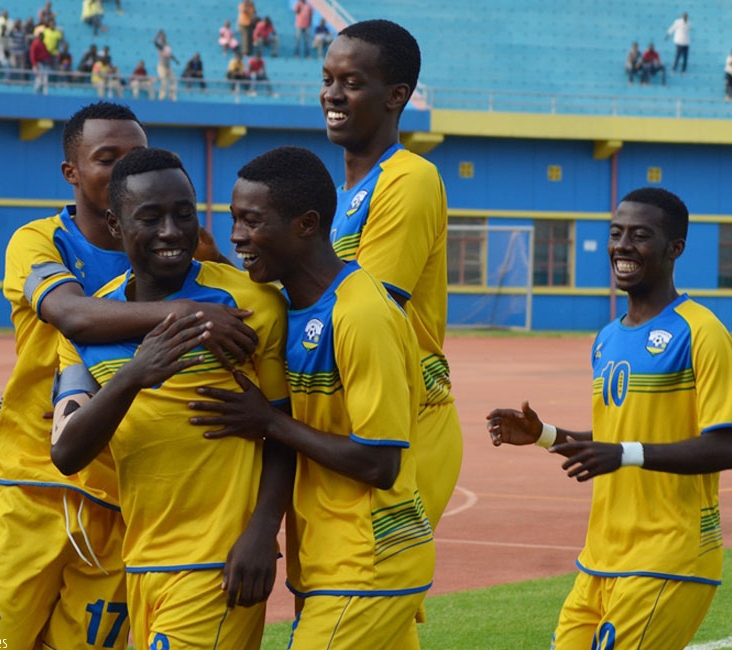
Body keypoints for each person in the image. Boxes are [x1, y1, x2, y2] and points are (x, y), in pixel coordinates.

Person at [0, 102, 259, 649]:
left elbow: (237, 301)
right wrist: (188, 315)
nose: (125, 167)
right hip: (34, 482)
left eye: (136, 155)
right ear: (71, 172)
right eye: (107, 158)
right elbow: (73, 315)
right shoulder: (40, 241)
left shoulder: (177, 242)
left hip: (125, 497)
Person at [190, 145, 435, 650]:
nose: (236, 235)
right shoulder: (292, 307)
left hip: (368, 563)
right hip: (331, 559)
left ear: (306, 224)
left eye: (252, 221)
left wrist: (268, 421)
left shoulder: (360, 314)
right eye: (234, 219)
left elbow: (381, 462)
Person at [49, 147, 292, 650]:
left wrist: (263, 530)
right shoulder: (90, 327)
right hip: (141, 562)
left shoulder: (253, 305)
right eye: (150, 217)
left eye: (184, 214)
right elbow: (67, 452)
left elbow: (283, 428)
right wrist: (135, 375)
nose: (172, 232)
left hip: (220, 562)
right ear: (115, 225)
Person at [486, 187, 732, 650]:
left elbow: (726, 446)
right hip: (601, 558)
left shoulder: (701, 332)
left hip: (670, 557)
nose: (622, 246)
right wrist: (546, 435)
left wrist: (625, 454)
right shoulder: (606, 339)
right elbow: (614, 438)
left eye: (639, 236)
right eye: (615, 233)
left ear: (675, 248)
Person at [322, 19, 463, 539]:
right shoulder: (339, 198)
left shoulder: (409, 178)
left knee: (372, 580)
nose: (333, 94)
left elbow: (368, 313)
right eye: (328, 79)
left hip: (406, 425)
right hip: (361, 424)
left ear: (396, 96)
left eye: (352, 82)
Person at [153, 29, 178, 101]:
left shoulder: (167, 45)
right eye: (161, 37)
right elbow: (155, 41)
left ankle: (172, 97)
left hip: (168, 66)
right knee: (164, 82)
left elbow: (170, 54)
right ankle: (161, 98)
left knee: (173, 80)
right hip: (162, 66)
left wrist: (175, 60)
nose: (163, 37)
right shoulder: (160, 45)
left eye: (163, 36)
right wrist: (158, 34)